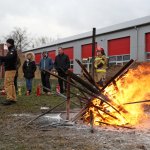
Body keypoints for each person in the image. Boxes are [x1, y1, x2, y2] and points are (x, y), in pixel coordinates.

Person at [0, 39, 17, 105]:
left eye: (6, 43)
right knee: (11, 84)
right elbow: (8, 59)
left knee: (8, 84)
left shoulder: (12, 50)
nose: (6, 44)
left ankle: (10, 98)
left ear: (10, 43)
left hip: (10, 70)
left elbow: (9, 58)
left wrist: (1, 57)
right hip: (10, 69)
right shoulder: (11, 50)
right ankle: (13, 98)